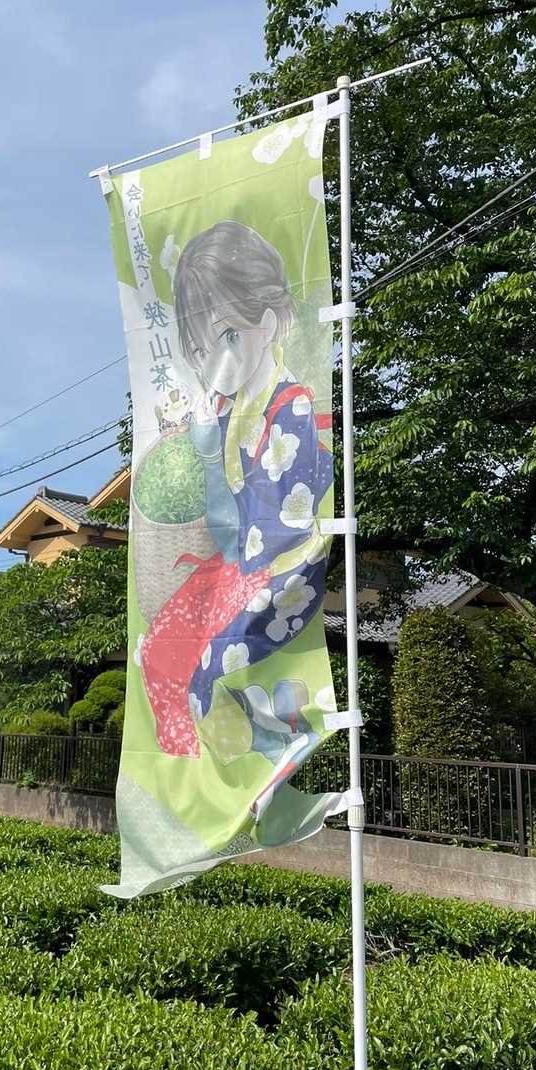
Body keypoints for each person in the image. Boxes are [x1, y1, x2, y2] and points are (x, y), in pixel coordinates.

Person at [137, 220, 333, 821]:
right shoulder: (232, 406)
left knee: (208, 666)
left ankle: (267, 757)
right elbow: (217, 492)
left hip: (283, 568)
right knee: (158, 652)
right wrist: (200, 435)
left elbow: (281, 522)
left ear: (268, 320)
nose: (214, 362)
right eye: (202, 350)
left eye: (227, 337)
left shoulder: (290, 408)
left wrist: (239, 570)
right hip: (238, 564)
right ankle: (194, 779)